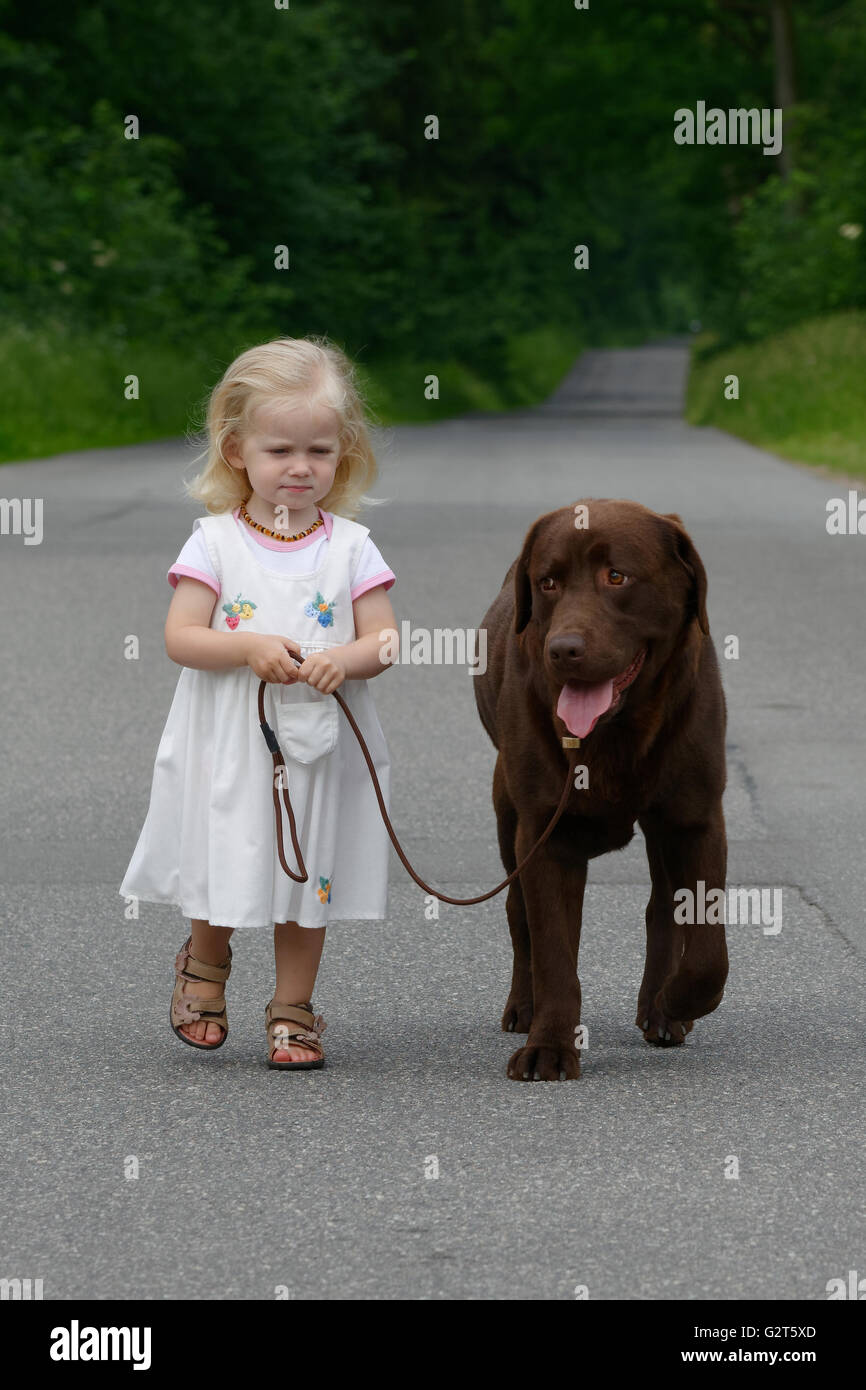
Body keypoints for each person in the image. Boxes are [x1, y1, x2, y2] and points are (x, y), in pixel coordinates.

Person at [119, 336, 398, 1069]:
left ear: (345, 451)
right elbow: (182, 636)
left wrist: (347, 657)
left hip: (321, 744)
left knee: (312, 871)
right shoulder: (214, 543)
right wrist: (246, 647)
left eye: (319, 450)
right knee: (227, 856)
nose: (301, 467)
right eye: (280, 450)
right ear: (237, 449)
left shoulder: (353, 547)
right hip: (231, 743)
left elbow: (387, 642)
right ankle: (206, 965)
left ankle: (292, 1008)